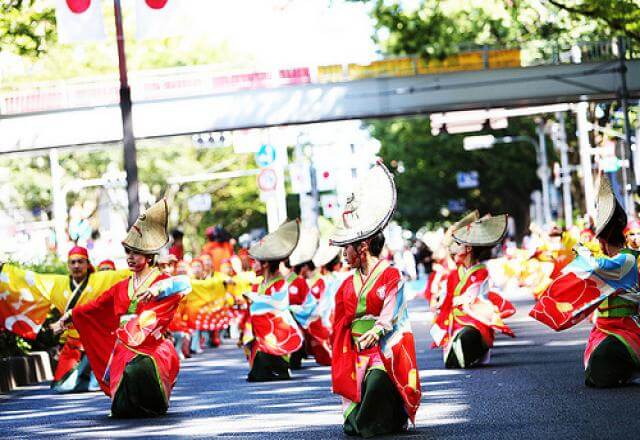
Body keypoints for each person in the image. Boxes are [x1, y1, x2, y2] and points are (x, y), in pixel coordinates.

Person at [50, 199, 191, 417]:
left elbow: (184, 284)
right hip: (124, 344)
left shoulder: (161, 279)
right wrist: (65, 318)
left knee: (142, 369)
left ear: (149, 256)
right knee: (123, 403)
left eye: (135, 253)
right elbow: (92, 307)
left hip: (151, 344)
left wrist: (158, 289)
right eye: (128, 253)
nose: (130, 258)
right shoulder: (121, 287)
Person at [330, 162, 421, 438]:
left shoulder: (391, 274)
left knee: (378, 381)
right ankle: (383, 417)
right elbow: (339, 323)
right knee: (354, 421)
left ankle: (390, 415)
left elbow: (392, 313)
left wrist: (378, 331)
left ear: (363, 246)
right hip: (357, 350)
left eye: (347, 248)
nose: (344, 254)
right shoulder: (345, 284)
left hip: (383, 348)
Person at [531, 175, 640, 387]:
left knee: (602, 368)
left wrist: (582, 253)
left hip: (627, 329)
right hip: (603, 328)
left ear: (601, 239)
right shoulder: (618, 259)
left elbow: (598, 267)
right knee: (595, 373)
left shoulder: (626, 260)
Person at [0, 247, 130, 393]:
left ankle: (98, 376)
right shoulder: (57, 284)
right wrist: (5, 271)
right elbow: (32, 280)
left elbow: (127, 274)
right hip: (73, 345)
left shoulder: (103, 278)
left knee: (103, 371)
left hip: (97, 341)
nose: (76, 266)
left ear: (88, 264)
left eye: (80, 262)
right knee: (60, 387)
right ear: (68, 266)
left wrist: (152, 263)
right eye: (73, 262)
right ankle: (95, 380)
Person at [431, 214, 516, 369]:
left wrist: (464, 299)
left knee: (466, 338)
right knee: (454, 355)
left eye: (458, 245)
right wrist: (441, 302)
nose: (454, 249)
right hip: (455, 321)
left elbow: (480, 296)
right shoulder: (453, 274)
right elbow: (447, 297)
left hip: (475, 319)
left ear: (468, 248)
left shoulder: (481, 272)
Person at [243, 220, 304, 382]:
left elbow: (279, 306)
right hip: (263, 335)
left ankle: (282, 364)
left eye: (255, 261)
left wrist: (255, 299)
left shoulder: (280, 282)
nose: (253, 264)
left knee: (259, 373)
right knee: (255, 374)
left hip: (277, 334)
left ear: (265, 264)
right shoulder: (260, 285)